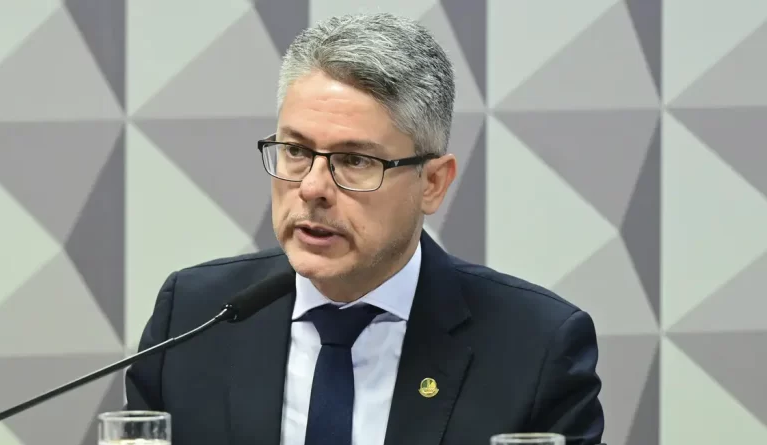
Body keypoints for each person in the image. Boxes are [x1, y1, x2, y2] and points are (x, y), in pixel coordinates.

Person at [124, 12, 605, 445]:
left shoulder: (536, 347)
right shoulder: (193, 318)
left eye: (354, 160)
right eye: (296, 151)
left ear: (432, 183)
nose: (312, 188)